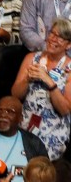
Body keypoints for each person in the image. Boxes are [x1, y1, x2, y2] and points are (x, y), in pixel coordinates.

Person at [11, 18, 71, 160]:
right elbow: (15, 94)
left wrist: (49, 81)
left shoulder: (69, 68)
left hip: (53, 133)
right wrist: (27, 79)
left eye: (60, 37)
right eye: (52, 33)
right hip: (27, 124)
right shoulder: (31, 58)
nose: (53, 39)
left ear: (68, 45)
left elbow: (64, 109)